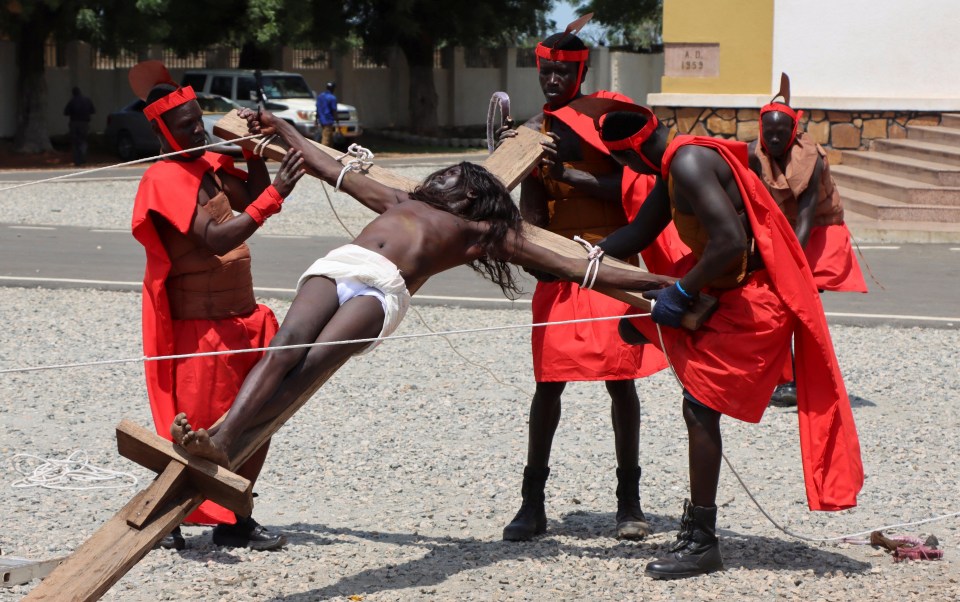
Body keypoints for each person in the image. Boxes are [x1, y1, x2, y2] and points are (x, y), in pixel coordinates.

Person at [168, 107, 680, 490]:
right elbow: (328, 167)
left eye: (453, 176)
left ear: (471, 193)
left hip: (383, 288)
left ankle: (231, 443)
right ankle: (225, 437)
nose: (441, 178)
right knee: (286, 347)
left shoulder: (479, 231)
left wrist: (663, 285)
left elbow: (574, 265)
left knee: (313, 364)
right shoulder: (398, 198)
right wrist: (280, 128)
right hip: (342, 264)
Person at [593, 104, 863, 579]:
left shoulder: (688, 163)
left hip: (755, 300)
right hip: (731, 291)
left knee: (700, 406)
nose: (628, 173)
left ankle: (702, 542)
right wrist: (586, 255)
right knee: (639, 331)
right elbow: (641, 230)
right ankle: (700, 534)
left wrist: (682, 291)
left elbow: (730, 244)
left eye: (623, 163)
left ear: (633, 152)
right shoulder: (674, 162)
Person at [496, 28, 671, 544]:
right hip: (558, 264)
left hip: (611, 256)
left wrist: (568, 176)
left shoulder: (605, 118)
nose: (554, 81)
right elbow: (529, 206)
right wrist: (534, 259)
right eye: (546, 72)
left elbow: (640, 185)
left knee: (621, 382)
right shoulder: (533, 130)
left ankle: (629, 503)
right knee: (548, 385)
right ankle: (532, 504)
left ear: (582, 73)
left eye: (564, 73)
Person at [130, 61, 306, 552]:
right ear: (164, 132)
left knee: (252, 421)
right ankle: (170, 515)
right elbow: (217, 236)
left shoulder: (208, 164)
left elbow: (249, 195)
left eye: (200, 122)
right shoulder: (164, 178)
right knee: (199, 428)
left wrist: (255, 153)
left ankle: (235, 517)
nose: (199, 132)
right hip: (200, 331)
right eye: (186, 127)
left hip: (242, 321)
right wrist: (277, 193)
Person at [748, 88, 867, 407]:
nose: (773, 140)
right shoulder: (752, 153)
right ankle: (783, 377)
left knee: (799, 307)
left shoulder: (809, 159)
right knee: (777, 306)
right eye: (768, 133)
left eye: (781, 133)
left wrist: (788, 266)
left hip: (814, 234)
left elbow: (804, 218)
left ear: (793, 131)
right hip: (781, 233)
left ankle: (798, 379)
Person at [63, 87, 95, 165]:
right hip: (84, 123)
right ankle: (83, 158)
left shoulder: (72, 101)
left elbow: (65, 112)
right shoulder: (87, 100)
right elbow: (93, 111)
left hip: (74, 123)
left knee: (75, 142)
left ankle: (77, 160)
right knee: (83, 141)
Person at [315, 81, 339, 147]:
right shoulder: (332, 98)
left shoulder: (320, 96)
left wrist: (316, 119)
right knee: (326, 139)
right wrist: (337, 120)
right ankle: (324, 152)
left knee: (330, 138)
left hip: (321, 120)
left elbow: (317, 108)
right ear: (333, 89)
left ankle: (331, 151)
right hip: (328, 120)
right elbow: (334, 110)